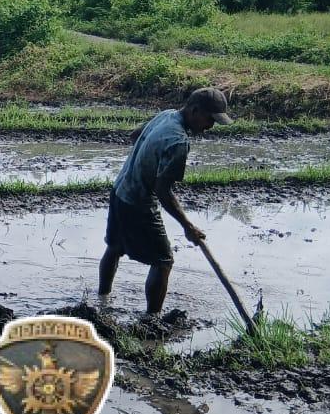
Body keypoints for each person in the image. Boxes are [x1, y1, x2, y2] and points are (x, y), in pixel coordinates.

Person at [98, 87, 235, 315]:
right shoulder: (179, 142)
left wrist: (144, 163)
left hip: (120, 188)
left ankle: (101, 300)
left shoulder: (167, 115)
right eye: (209, 119)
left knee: (115, 247)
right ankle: (153, 319)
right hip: (138, 202)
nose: (210, 126)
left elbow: (135, 136)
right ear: (194, 110)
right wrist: (187, 226)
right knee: (163, 261)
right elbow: (163, 191)